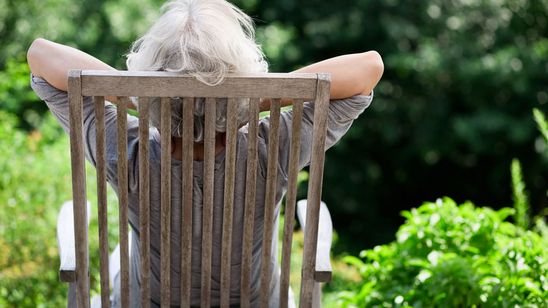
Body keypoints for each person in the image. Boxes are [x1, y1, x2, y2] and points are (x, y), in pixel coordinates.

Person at [27, 0, 383, 306]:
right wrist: (253, 100)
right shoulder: (271, 147)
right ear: (242, 74)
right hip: (257, 304)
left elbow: (41, 54)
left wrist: (144, 98)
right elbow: (368, 68)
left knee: (121, 256)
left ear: (151, 73)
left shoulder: (126, 148)